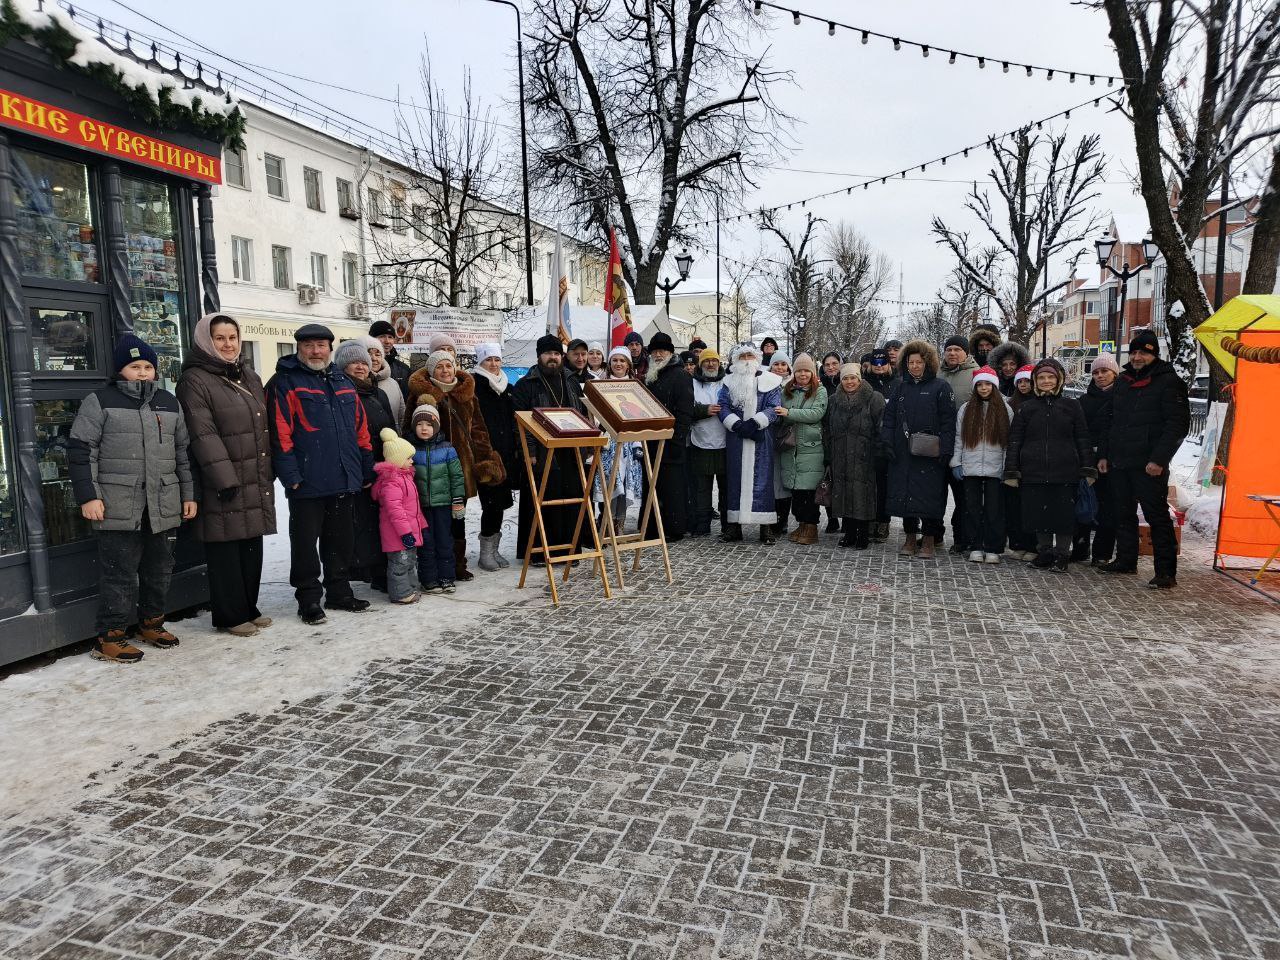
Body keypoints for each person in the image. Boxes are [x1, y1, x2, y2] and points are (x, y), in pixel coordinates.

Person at [70, 334, 196, 662]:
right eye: (134, 366)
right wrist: (89, 496)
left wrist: (188, 494)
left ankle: (151, 623)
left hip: (163, 501)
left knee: (159, 568)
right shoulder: (98, 401)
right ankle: (110, 636)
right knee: (119, 572)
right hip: (116, 503)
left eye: (147, 367)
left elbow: (182, 452)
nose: (142, 373)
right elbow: (82, 452)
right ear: (120, 370)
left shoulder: (169, 402)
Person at [177, 313, 275, 638]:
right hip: (222, 480)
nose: (228, 344)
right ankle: (230, 614)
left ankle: (249, 607)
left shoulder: (248, 376)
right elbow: (202, 433)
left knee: (250, 544)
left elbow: (262, 428)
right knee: (225, 549)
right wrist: (224, 477)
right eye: (220, 338)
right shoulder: (195, 380)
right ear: (207, 341)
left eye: (232, 337)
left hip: (252, 473)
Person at [267, 323, 373, 624]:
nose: (316, 351)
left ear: (330, 348)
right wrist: (291, 476)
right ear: (299, 348)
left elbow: (360, 430)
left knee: (341, 540)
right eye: (309, 346)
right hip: (308, 479)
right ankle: (309, 599)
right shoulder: (285, 382)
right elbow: (280, 433)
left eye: (321, 345)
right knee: (305, 544)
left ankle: (339, 592)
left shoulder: (343, 381)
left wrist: (365, 467)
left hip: (343, 476)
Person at [1098, 331, 1190, 589]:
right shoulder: (1124, 381)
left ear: (1154, 355)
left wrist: (1159, 459)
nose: (1137, 357)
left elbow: (1178, 424)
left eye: (1144, 353)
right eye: (1134, 352)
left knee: (1156, 516)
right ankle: (1126, 560)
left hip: (1149, 464)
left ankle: (1165, 571)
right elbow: (1110, 420)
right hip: (1120, 460)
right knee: (1123, 513)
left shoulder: (1169, 382)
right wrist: (1104, 454)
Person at [405, 348, 504, 581]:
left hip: (461, 467)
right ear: (431, 371)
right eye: (439, 366)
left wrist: (485, 458)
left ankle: (457, 564)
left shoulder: (467, 393)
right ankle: (433, 566)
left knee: (458, 517)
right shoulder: (419, 395)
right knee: (433, 520)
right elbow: (408, 429)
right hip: (430, 467)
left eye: (448, 365)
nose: (445, 370)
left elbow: (479, 430)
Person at [1004, 358, 1096, 571]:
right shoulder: (1026, 408)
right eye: (1041, 377)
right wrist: (1012, 470)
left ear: (1059, 379)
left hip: (1065, 470)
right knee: (1038, 513)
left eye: (1050, 377)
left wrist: (1087, 468)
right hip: (1033, 470)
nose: (1046, 381)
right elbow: (1015, 440)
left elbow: (1082, 438)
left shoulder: (1072, 406)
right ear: (1036, 381)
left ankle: (1062, 554)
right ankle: (1044, 551)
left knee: (1063, 516)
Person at [511, 335, 588, 562]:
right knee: (544, 502)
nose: (552, 358)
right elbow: (521, 423)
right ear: (539, 356)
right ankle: (542, 552)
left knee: (571, 501)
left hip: (571, 452)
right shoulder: (526, 385)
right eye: (548, 354)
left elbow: (584, 414)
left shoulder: (571, 380)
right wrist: (531, 452)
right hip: (543, 454)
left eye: (556, 354)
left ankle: (569, 550)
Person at [881, 339, 956, 560]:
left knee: (930, 497)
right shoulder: (900, 388)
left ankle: (930, 538)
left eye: (919, 362)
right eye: (911, 362)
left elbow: (948, 422)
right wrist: (888, 442)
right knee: (906, 496)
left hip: (930, 453)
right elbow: (889, 418)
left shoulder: (941, 387)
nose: (914, 366)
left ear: (928, 363)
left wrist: (946, 449)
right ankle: (910, 536)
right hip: (903, 452)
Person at [336, 339, 397, 591]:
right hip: (357, 467)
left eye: (363, 362)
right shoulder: (340, 393)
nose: (361, 367)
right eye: (353, 363)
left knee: (382, 520)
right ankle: (365, 569)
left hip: (382, 466)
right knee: (362, 523)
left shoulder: (377, 393)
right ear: (342, 367)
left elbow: (391, 430)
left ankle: (381, 570)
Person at [717, 343, 784, 543]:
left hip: (761, 439)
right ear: (736, 360)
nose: (746, 360)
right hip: (736, 438)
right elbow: (723, 406)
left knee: (763, 481)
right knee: (734, 481)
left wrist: (756, 422)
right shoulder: (728, 382)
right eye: (742, 356)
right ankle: (734, 528)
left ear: (756, 358)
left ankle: (766, 528)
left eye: (749, 356)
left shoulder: (771, 381)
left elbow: (774, 407)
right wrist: (736, 424)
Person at [950, 366, 1012, 564]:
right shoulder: (966, 409)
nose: (984, 388)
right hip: (971, 466)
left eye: (988, 384)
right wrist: (956, 462)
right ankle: (975, 545)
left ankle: (993, 547)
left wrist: (1006, 467)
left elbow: (1008, 443)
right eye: (980, 385)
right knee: (972, 508)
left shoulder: (1005, 409)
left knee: (995, 510)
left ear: (994, 386)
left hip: (995, 468)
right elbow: (959, 438)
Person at [824, 362, 886, 549]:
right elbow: (827, 428)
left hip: (864, 455)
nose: (849, 382)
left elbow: (881, 428)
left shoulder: (874, 398)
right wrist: (829, 456)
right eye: (845, 378)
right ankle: (849, 532)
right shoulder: (834, 400)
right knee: (843, 493)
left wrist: (877, 453)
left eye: (853, 378)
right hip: (840, 454)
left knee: (863, 495)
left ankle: (863, 534)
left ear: (860, 379)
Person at [410, 402, 466, 593]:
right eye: (419, 424)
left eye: (428, 424)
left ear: (436, 426)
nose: (424, 428)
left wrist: (457, 500)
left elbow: (457, 476)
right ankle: (429, 579)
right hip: (421, 507)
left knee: (444, 541)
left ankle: (446, 577)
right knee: (426, 543)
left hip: (443, 504)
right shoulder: (410, 450)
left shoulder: (447, 448)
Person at [643, 332, 694, 542]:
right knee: (653, 484)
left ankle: (674, 528)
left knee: (672, 487)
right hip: (652, 440)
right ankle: (651, 526)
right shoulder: (651, 375)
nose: (657, 354)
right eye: (654, 351)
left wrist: (677, 438)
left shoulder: (680, 375)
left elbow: (685, 411)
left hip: (672, 441)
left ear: (670, 353)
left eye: (662, 350)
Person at [472, 342, 518, 571]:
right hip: (486, 455)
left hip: (505, 453)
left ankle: (494, 548)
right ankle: (485, 552)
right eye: (488, 359)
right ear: (480, 361)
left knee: (500, 503)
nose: (493, 364)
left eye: (497, 359)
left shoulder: (506, 386)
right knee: (490, 502)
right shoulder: (475, 385)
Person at [370, 428, 427, 604]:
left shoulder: (405, 478)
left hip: (409, 532)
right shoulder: (392, 483)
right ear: (397, 460)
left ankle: (410, 588)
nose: (412, 461)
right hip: (398, 534)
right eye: (408, 458)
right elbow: (396, 512)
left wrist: (420, 525)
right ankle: (400, 594)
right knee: (400, 564)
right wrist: (405, 533)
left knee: (409, 561)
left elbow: (413, 508)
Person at [776, 353, 828, 545]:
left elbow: (816, 413)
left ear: (812, 372)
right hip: (791, 448)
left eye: (807, 370)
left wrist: (789, 413)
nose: (803, 374)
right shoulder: (787, 391)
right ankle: (802, 525)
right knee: (797, 492)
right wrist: (787, 414)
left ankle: (811, 528)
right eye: (799, 371)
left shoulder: (820, 391)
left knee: (808, 492)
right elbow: (779, 411)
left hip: (811, 448)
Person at [1073, 353, 1118, 565]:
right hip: (1087, 458)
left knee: (1108, 507)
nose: (1100, 376)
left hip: (1112, 459)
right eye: (1096, 372)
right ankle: (1080, 548)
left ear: (1114, 373)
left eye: (1105, 371)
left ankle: (1102, 552)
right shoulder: (1084, 400)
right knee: (1083, 501)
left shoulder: (1122, 398)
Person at [593, 349, 643, 531]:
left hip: (629, 442)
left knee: (624, 485)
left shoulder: (635, 386)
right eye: (614, 360)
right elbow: (596, 414)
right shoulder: (601, 384)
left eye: (622, 360)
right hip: (609, 440)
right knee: (609, 482)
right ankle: (605, 522)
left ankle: (618, 523)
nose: (618, 364)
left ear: (628, 364)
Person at [939, 335, 979, 554]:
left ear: (966, 352)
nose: (952, 353)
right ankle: (934, 534)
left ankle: (963, 538)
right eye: (949, 349)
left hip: (966, 444)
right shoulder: (938, 373)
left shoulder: (976, 374)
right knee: (936, 493)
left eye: (957, 349)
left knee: (964, 496)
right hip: (940, 443)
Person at [689, 348, 727, 536]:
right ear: (700, 364)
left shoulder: (727, 382)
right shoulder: (692, 383)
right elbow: (686, 407)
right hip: (701, 441)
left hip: (725, 442)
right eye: (706, 361)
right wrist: (703, 410)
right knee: (702, 488)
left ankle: (728, 526)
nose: (711, 364)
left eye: (714, 361)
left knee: (725, 488)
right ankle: (702, 525)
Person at [366, 336, 405, 427]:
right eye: (369, 354)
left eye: (378, 354)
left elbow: (402, 415)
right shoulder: (357, 384)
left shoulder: (393, 383)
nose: (374, 358)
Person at [368, 319, 411, 396]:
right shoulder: (363, 366)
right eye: (382, 336)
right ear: (371, 339)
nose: (387, 341)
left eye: (390, 337)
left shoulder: (404, 369)